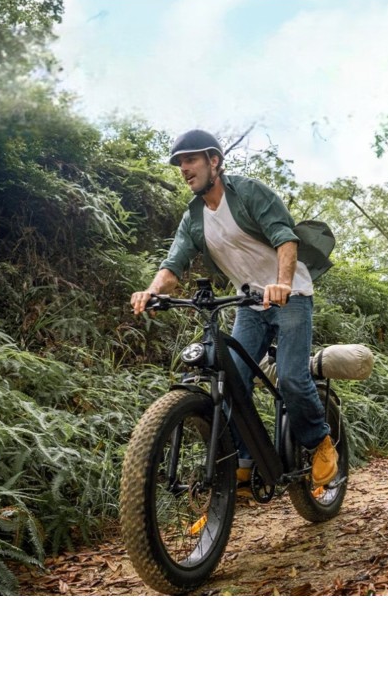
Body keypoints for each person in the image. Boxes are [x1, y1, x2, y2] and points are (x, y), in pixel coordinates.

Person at [130, 129, 338, 491]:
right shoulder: (194, 217)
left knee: (291, 378)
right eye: (180, 163)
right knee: (230, 382)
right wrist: (151, 291)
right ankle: (243, 460)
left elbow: (285, 239)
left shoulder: (249, 193)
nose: (184, 168)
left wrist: (283, 283)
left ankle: (319, 441)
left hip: (291, 295)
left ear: (214, 161)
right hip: (249, 304)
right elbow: (173, 265)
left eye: (191, 159)